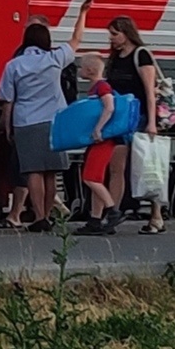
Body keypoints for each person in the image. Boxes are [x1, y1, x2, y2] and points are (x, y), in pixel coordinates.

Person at [0, 0, 91, 231]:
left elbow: (8, 100)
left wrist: (6, 126)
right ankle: (48, 215)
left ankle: (38, 217)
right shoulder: (55, 58)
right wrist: (83, 13)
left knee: (33, 171)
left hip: (26, 122)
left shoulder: (14, 65)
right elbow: (76, 39)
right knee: (51, 173)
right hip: (54, 122)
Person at [104, 15, 164, 234]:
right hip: (120, 121)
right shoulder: (115, 58)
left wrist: (151, 123)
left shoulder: (141, 55)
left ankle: (156, 215)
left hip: (139, 119)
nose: (111, 39)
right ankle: (114, 211)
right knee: (116, 168)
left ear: (126, 33)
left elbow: (150, 92)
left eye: (114, 34)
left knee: (147, 168)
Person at [75, 54, 121, 235]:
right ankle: (94, 220)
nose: (79, 70)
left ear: (90, 70)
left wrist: (98, 129)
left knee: (90, 178)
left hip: (102, 140)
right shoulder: (96, 87)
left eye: (81, 67)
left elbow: (109, 106)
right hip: (101, 140)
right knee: (97, 179)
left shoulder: (102, 87)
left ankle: (112, 211)